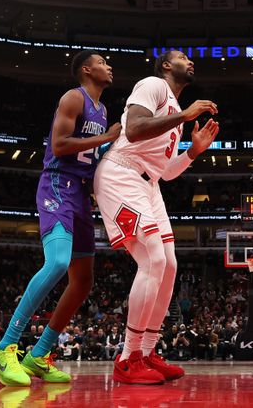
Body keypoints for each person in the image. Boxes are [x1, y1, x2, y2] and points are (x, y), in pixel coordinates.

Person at [0, 51, 120, 387]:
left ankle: (40, 354)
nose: (109, 65)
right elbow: (60, 145)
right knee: (58, 262)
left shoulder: (103, 110)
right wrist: (105, 139)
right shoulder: (74, 98)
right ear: (87, 70)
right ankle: (4, 347)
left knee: (84, 280)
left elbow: (90, 152)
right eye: (103, 61)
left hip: (80, 194)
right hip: (58, 185)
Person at [94, 49, 219, 384]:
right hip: (122, 173)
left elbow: (165, 174)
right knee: (152, 259)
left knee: (169, 264)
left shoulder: (175, 111)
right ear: (166, 66)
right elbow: (133, 129)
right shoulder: (153, 85)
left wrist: (193, 151)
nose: (190, 62)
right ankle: (127, 358)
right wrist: (184, 117)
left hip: (149, 185)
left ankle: (148, 352)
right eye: (182, 57)